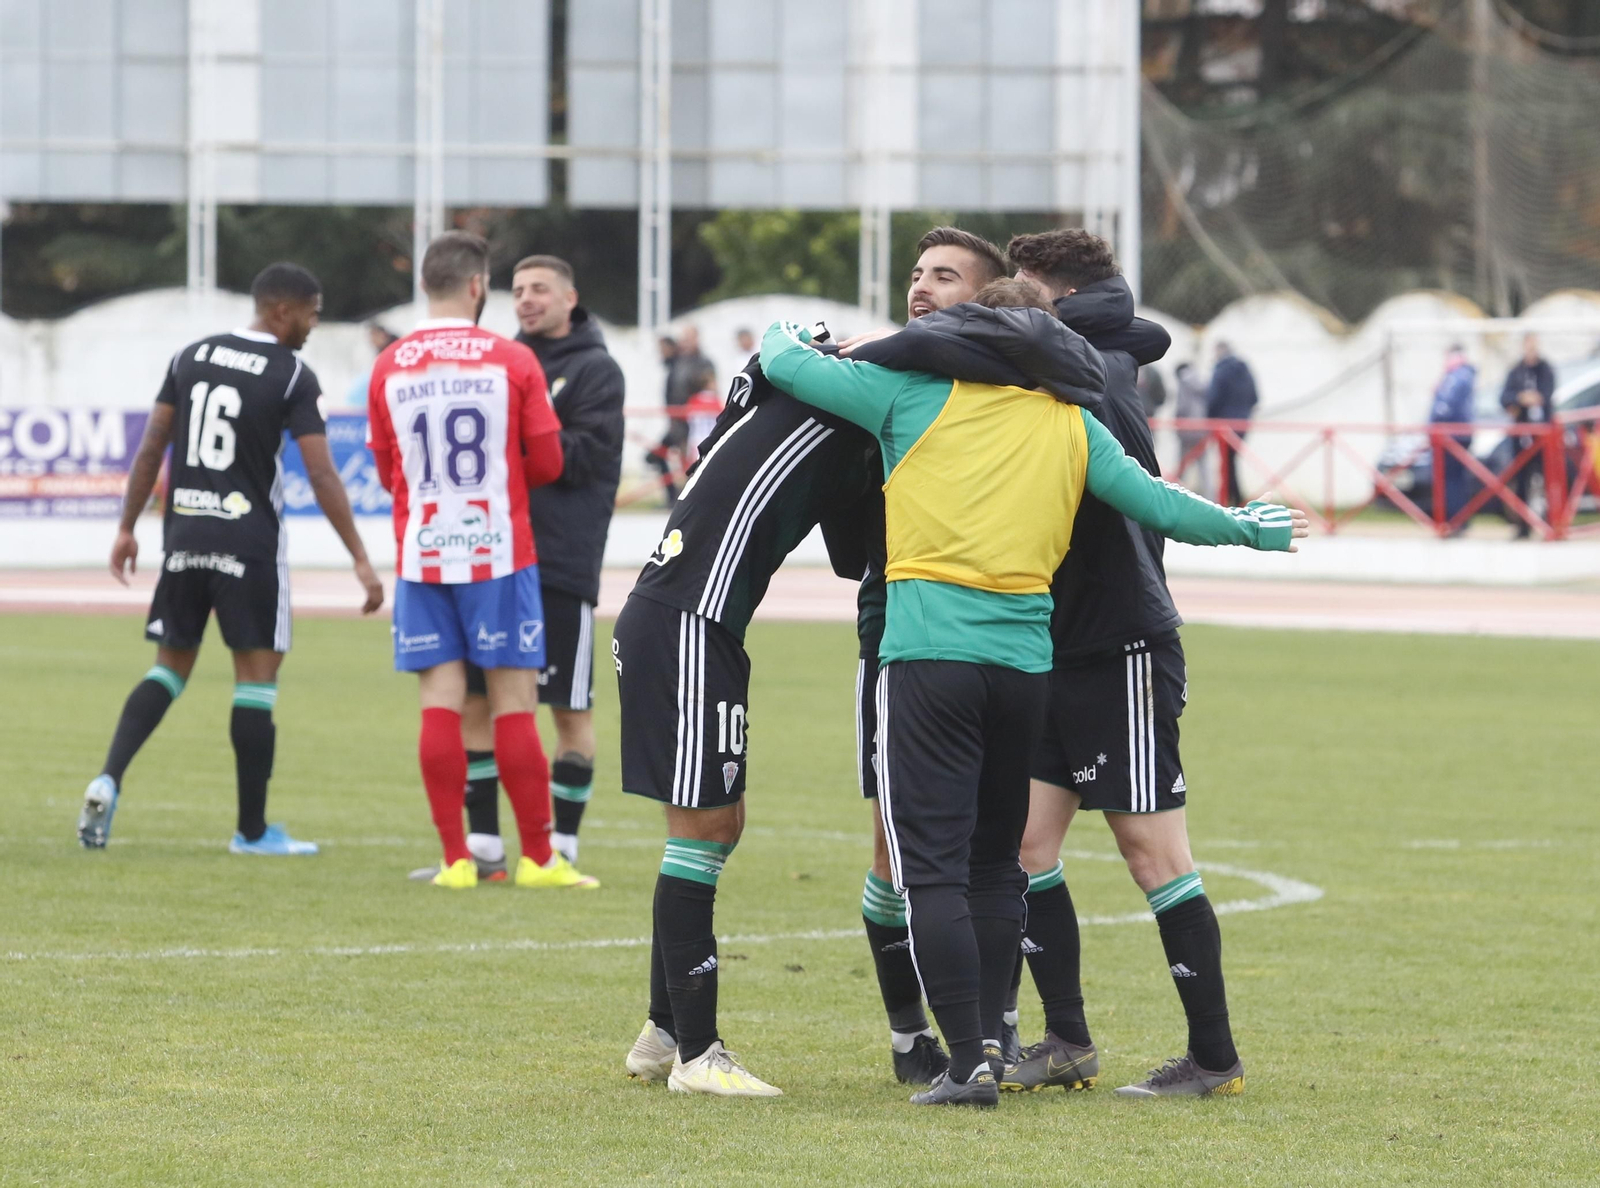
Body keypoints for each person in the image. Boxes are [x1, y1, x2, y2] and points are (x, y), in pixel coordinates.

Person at [761, 284, 1305, 1108]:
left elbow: (785, 363)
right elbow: (1159, 505)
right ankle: (1000, 1042)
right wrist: (1246, 526)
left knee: (933, 870)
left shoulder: (910, 395)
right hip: (1025, 670)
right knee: (998, 865)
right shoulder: (1071, 424)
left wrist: (793, 327)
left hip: (927, 659)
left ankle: (967, 1064)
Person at [1005, 228, 1246, 1097]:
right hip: (1057, 646)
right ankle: (1066, 1041)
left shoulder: (1090, 373)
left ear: (1053, 295)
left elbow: (1135, 501)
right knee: (1027, 847)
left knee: (1153, 855)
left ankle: (1215, 1059)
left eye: (1016, 285)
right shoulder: (1078, 359)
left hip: (1120, 646)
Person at [612, 337, 887, 1099]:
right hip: (689, 622)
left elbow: (845, 556)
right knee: (700, 831)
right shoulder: (844, 393)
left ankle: (664, 1031)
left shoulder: (814, 411)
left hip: (690, 624)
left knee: (718, 825)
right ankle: (699, 1056)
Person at [78, 263, 384, 853]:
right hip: (249, 544)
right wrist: (361, 560)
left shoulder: (190, 357)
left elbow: (152, 448)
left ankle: (107, 778)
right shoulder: (292, 373)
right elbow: (320, 472)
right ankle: (252, 832)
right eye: (310, 315)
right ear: (280, 311)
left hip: (185, 535)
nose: (312, 328)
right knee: (257, 681)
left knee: (169, 668)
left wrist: (125, 526)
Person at [367, 231, 595, 891]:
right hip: (499, 549)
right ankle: (541, 859)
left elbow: (388, 470)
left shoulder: (390, 363)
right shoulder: (512, 359)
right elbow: (550, 461)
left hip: (424, 551)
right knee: (514, 703)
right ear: (477, 287)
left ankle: (457, 860)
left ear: (425, 287)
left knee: (440, 702)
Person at [440, 254, 626, 877]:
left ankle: (562, 847)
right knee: (475, 703)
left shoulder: (597, 370)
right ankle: (486, 846)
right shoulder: (496, 360)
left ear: (570, 298)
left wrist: (514, 437)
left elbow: (586, 457)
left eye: (539, 289)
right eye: (516, 289)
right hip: (490, 559)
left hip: (559, 565)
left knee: (568, 709)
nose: (524, 299)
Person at [1499, 333, 1556, 538]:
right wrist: (1520, 399)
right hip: (1521, 436)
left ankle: (1552, 524)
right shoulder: (1516, 371)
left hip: (1543, 437)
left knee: (1549, 478)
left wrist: (1534, 398)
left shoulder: (1545, 369)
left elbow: (1547, 395)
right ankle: (1523, 526)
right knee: (1521, 480)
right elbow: (1504, 397)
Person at [1430, 344, 1478, 530]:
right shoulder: (1464, 375)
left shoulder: (1456, 377)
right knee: (1456, 479)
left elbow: (1444, 406)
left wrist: (1433, 423)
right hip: (1457, 434)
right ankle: (1457, 520)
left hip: (1452, 436)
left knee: (1452, 480)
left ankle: (1454, 520)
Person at [1205, 342, 1258, 504]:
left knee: (1227, 465)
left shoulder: (1220, 370)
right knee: (1231, 463)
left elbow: (1213, 399)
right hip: (1242, 424)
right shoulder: (1245, 369)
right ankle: (1236, 500)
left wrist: (1210, 420)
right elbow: (1255, 397)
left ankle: (1230, 501)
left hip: (1223, 425)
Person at [1173, 361, 1213, 495]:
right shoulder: (1202, 382)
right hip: (1201, 429)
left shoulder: (1183, 382)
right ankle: (1212, 498)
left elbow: (1182, 406)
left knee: (1182, 467)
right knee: (1204, 467)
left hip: (1187, 429)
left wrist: (1177, 422)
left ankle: (1174, 495)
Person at [344, 323, 400, 407]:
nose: (372, 341)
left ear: (381, 335)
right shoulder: (381, 351)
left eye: (373, 336)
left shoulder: (395, 348)